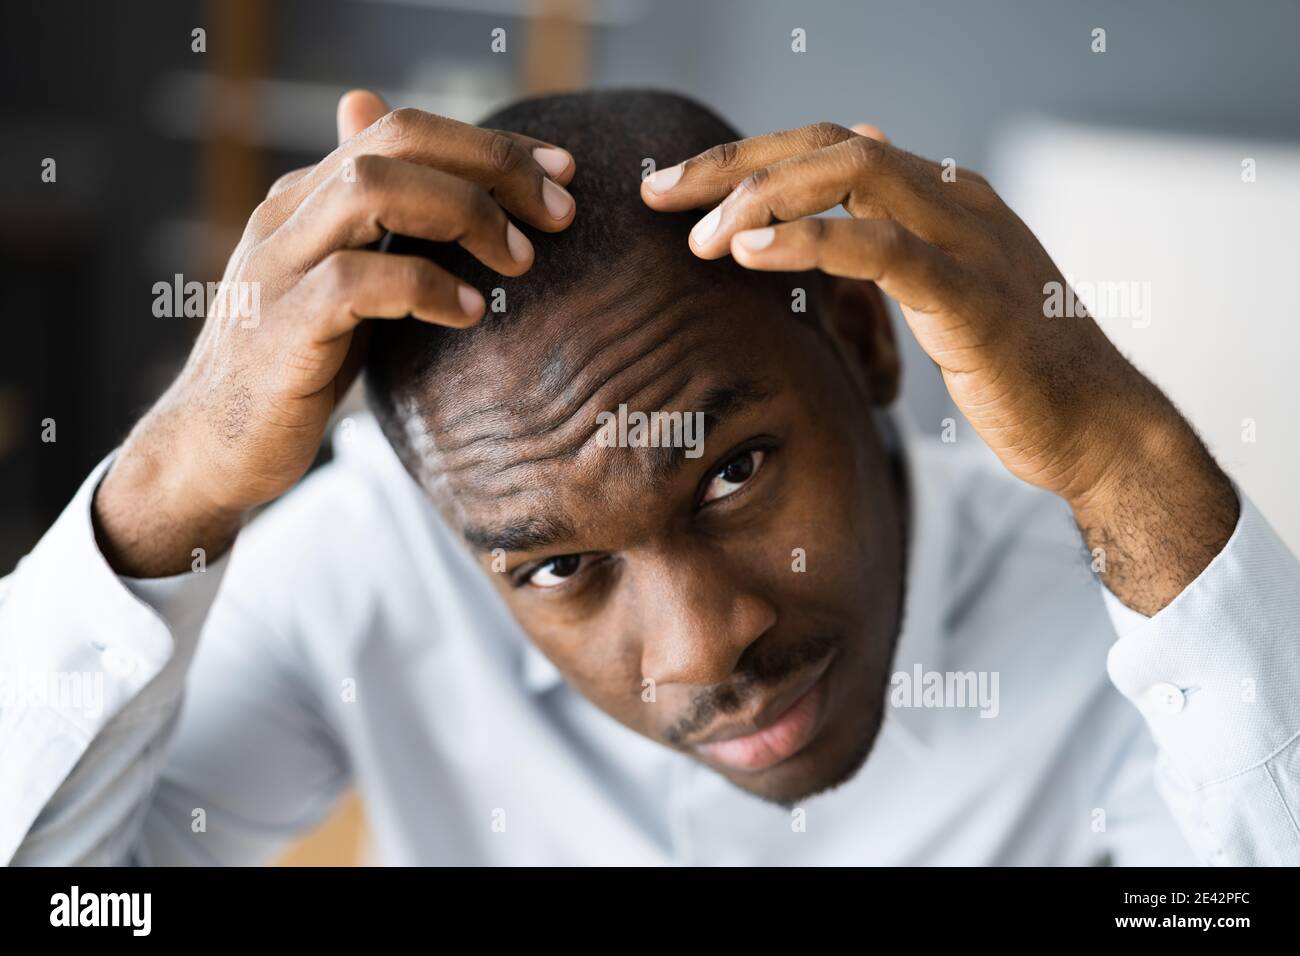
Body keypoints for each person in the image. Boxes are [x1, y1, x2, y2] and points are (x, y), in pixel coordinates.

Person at [2, 88, 1296, 865]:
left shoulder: (1126, 620)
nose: (707, 646)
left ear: (859, 338)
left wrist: (1132, 460)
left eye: (734, 473)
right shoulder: (366, 570)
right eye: (558, 567)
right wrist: (173, 478)